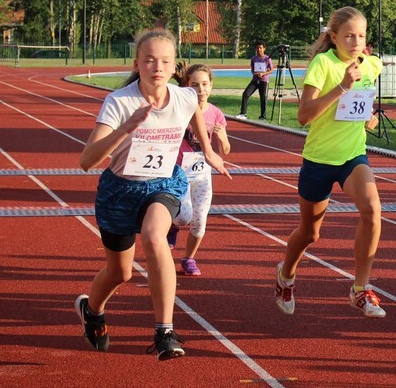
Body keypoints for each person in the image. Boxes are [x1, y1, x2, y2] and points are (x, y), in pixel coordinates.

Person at [76, 29, 227, 360]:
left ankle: (164, 332)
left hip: (163, 183)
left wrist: (208, 150)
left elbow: (194, 111)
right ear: (137, 64)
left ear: (175, 67)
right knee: (121, 272)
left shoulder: (185, 96)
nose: (157, 67)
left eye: (165, 61)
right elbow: (87, 161)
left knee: (155, 236)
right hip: (120, 190)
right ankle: (93, 310)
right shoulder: (120, 102)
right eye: (149, 60)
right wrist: (127, 128)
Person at [275, 7, 387, 318]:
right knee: (310, 233)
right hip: (319, 159)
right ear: (333, 36)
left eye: (361, 35)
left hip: (352, 156)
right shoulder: (322, 64)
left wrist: (368, 116)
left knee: (372, 209)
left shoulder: (371, 65)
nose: (356, 41)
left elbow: (362, 105)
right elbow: (303, 116)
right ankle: (286, 274)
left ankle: (360, 288)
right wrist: (342, 88)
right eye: (349, 35)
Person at [168, 64, 232, 277]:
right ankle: (173, 227)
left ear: (211, 86)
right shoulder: (181, 109)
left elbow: (226, 150)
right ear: (187, 86)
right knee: (184, 216)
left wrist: (222, 138)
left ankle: (188, 258)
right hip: (178, 172)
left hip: (202, 173)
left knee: (200, 220)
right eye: (195, 85)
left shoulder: (216, 113)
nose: (201, 90)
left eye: (205, 84)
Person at [236, 42, 273, 120]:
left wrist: (263, 73)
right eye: (257, 48)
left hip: (264, 81)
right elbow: (252, 69)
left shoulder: (267, 58)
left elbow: (271, 70)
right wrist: (255, 73)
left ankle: (263, 116)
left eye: (260, 48)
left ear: (264, 48)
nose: (259, 49)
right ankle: (243, 113)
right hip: (255, 80)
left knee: (263, 98)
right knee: (246, 94)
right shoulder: (253, 58)